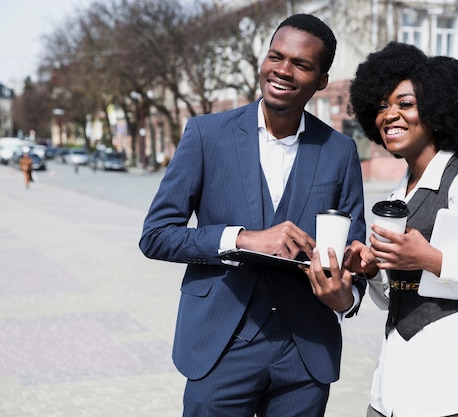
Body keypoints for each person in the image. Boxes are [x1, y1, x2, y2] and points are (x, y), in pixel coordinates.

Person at [139, 14, 367, 417]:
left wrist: (346, 298)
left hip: (306, 352)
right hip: (220, 345)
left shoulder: (339, 151)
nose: (282, 70)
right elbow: (156, 235)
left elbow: (355, 253)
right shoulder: (206, 135)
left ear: (321, 81)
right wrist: (241, 239)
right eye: (276, 56)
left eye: (301, 64)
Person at [316, 41, 458, 417]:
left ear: (438, 110)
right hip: (395, 386)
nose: (390, 115)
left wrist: (434, 259)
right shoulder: (395, 196)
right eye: (382, 106)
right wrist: (373, 271)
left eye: (405, 104)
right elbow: (398, 297)